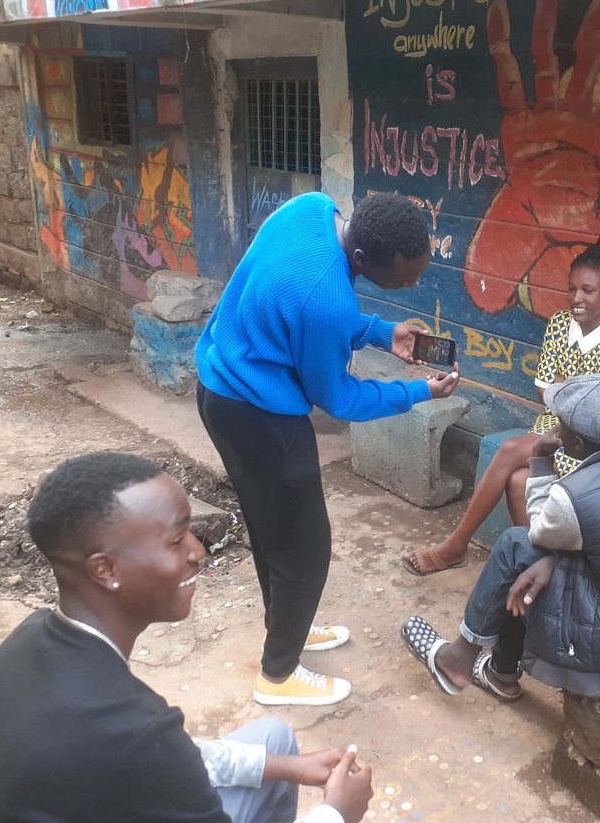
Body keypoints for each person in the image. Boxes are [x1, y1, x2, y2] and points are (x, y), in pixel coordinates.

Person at [0, 452, 418, 823]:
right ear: (105, 569)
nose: (198, 552)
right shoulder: (123, 730)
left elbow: (157, 761)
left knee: (274, 741)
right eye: (176, 541)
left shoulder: (33, 642)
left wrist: (288, 768)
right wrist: (336, 814)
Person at [196, 192, 460, 705]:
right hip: (261, 415)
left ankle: (286, 631)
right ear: (362, 261)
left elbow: (307, 315)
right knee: (306, 547)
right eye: (403, 278)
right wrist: (417, 391)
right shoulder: (328, 299)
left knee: (271, 529)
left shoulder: (312, 210)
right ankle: (278, 677)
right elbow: (337, 397)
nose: (410, 285)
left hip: (220, 388)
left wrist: (386, 333)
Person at [401, 375, 600, 700]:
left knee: (516, 547)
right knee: (535, 569)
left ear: (577, 444)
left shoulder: (578, 494)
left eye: (560, 423)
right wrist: (554, 561)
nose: (555, 427)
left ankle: (459, 659)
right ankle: (499, 672)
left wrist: (541, 461)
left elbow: (540, 535)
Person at [401, 232, 600, 577]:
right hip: (552, 429)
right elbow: (543, 389)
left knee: (509, 453)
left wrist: (562, 391)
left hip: (590, 449)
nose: (576, 298)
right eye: (571, 289)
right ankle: (537, 566)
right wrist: (571, 395)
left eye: (587, 291)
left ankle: (455, 547)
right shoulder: (561, 324)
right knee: (518, 481)